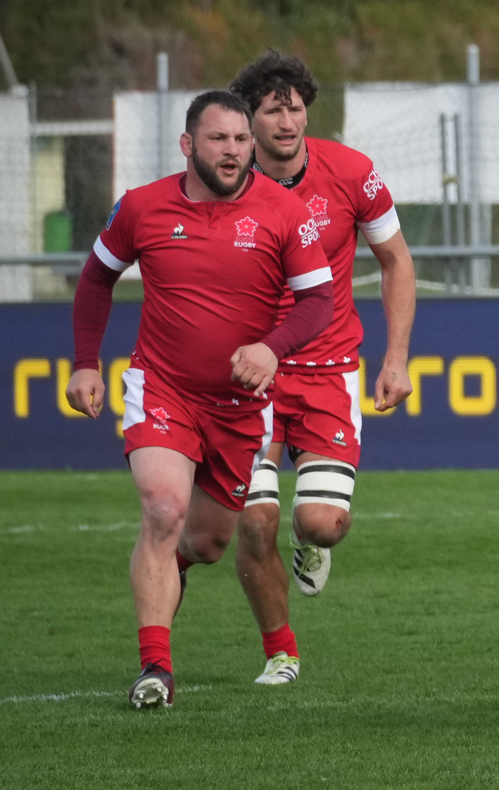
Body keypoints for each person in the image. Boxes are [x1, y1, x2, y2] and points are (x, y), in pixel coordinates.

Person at [65, 91, 335, 708]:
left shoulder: (282, 210)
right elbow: (97, 277)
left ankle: (170, 571)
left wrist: (271, 348)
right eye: (219, 140)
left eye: (242, 140)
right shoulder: (142, 207)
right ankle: (154, 669)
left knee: (209, 544)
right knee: (162, 509)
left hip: (240, 409)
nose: (234, 151)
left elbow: (319, 301)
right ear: (189, 145)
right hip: (162, 388)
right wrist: (85, 363)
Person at [227, 50, 416, 685]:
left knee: (322, 523)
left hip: (329, 368)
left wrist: (396, 358)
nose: (286, 119)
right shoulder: (223, 178)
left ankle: (311, 544)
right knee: (253, 522)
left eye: (295, 106)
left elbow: (395, 260)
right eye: (271, 108)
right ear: (248, 120)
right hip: (249, 374)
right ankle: (280, 652)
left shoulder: (352, 172)